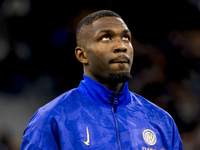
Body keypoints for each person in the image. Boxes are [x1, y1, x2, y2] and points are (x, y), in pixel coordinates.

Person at [20, 10, 183, 150]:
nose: (121, 46)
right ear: (82, 55)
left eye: (126, 38)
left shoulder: (161, 121)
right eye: (106, 37)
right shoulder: (52, 119)